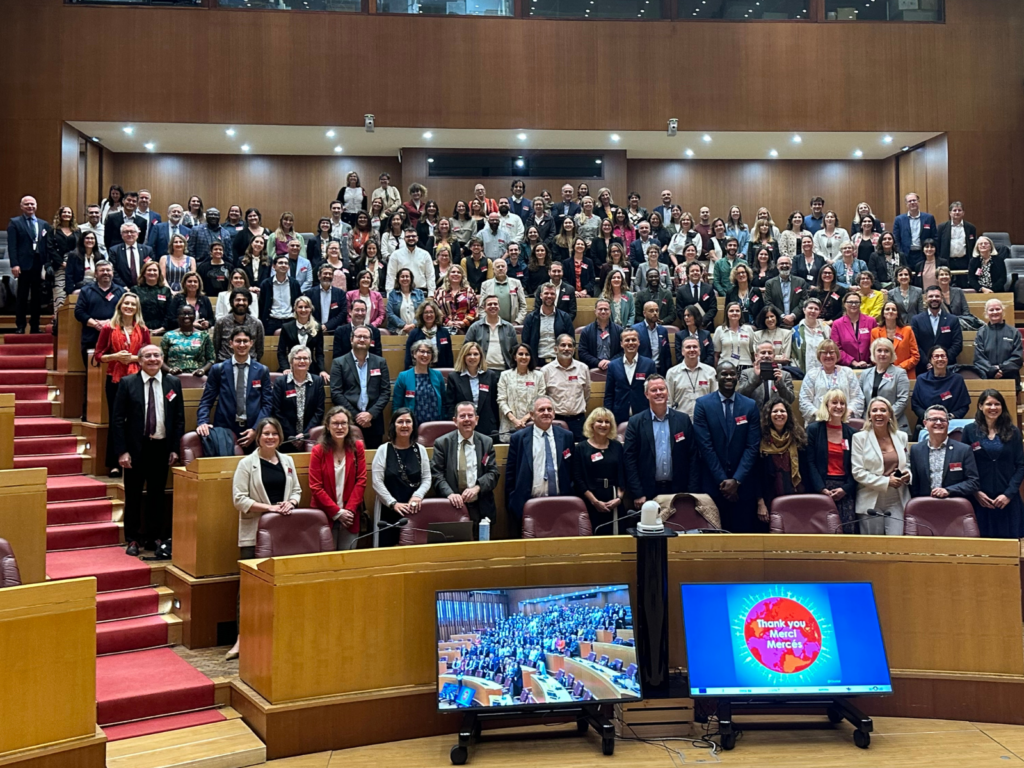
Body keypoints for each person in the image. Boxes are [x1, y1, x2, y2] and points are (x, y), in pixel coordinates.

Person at [228, 417, 301, 659]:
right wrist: (269, 508)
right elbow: (239, 500)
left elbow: (297, 490)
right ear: (258, 436)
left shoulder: (288, 460)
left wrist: (291, 502)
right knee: (249, 589)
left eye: (274, 433)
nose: (270, 437)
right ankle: (241, 638)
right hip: (254, 534)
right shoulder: (246, 464)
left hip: (283, 533)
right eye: (266, 433)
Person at [111, 344, 184, 555]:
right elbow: (117, 420)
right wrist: (122, 451)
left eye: (157, 355)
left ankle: (154, 537)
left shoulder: (173, 383)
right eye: (148, 356)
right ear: (140, 361)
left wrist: (174, 449)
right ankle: (133, 539)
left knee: (157, 495)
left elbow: (178, 420)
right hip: (135, 449)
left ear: (163, 359)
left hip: (161, 448)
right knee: (133, 494)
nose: (153, 359)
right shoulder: (127, 383)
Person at [693, 363, 763, 532]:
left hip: (743, 486)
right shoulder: (703, 405)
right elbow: (705, 446)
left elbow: (752, 447)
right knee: (713, 541)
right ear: (716, 377)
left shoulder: (750, 405)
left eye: (732, 374)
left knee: (742, 540)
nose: (729, 377)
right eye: (724, 374)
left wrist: (736, 480)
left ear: (738, 377)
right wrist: (723, 481)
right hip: (714, 486)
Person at [94, 292, 150, 476]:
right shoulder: (108, 328)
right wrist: (116, 357)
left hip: (137, 380)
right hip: (115, 379)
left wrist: (133, 358)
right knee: (116, 420)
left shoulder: (143, 329)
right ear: (120, 306)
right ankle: (114, 462)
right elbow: (98, 356)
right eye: (126, 303)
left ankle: (134, 457)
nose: (129, 307)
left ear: (137, 308)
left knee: (135, 420)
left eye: (133, 304)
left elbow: (148, 355)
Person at [504, 396, 575, 535]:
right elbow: (510, 475)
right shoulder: (519, 438)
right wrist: (513, 501)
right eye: (541, 410)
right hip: (528, 504)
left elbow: (573, 470)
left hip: (561, 503)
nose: (546, 412)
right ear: (531, 415)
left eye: (549, 409)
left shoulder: (567, 436)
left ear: (554, 413)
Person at [197, 328, 273, 450]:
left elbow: (267, 404)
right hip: (225, 429)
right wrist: (202, 421)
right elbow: (207, 400)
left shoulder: (262, 370)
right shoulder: (218, 369)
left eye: (245, 341)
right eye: (238, 341)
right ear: (231, 343)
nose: (242, 345)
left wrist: (256, 429)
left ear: (251, 343)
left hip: (254, 429)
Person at [964, 390, 1024, 539]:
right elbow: (965, 465)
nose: (993, 407)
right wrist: (976, 492)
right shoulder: (969, 431)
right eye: (988, 404)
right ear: (980, 406)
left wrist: (1008, 494)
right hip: (980, 500)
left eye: (997, 404)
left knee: (1009, 549)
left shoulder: (1013, 431)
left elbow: (1021, 465)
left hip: (1007, 500)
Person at [431, 402, 501, 528]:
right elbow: (437, 474)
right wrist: (450, 494)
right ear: (455, 420)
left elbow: (493, 473)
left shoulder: (486, 442)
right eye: (462, 416)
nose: (467, 420)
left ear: (477, 419)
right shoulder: (442, 443)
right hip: (452, 506)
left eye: (470, 416)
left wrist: (477, 488)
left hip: (480, 505)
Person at [308, 406, 367, 552]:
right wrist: (337, 512)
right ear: (327, 426)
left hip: (350, 515)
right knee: (326, 561)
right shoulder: (318, 450)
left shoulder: (357, 447)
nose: (339, 427)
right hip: (325, 514)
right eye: (335, 423)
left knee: (348, 560)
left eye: (343, 423)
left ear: (349, 426)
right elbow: (315, 486)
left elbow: (361, 480)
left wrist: (349, 511)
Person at [371, 409, 432, 546]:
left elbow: (427, 478)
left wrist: (418, 496)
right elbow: (377, 482)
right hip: (388, 509)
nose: (404, 425)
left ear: (413, 426)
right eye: (400, 422)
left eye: (408, 421)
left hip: (414, 508)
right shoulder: (383, 449)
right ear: (393, 425)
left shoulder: (420, 450)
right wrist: (393, 503)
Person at [852, 397, 912, 535]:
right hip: (871, 499)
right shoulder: (859, 438)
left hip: (897, 498)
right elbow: (858, 472)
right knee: (873, 549)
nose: (879, 413)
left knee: (896, 545)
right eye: (874, 410)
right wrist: (886, 481)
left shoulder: (901, 436)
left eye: (883, 410)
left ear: (890, 414)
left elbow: (907, 464)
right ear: (869, 416)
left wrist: (907, 475)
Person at [74, 261, 125, 414]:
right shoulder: (86, 290)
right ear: (96, 274)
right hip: (91, 338)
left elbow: (125, 312)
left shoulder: (120, 291)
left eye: (108, 270)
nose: (105, 273)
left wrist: (111, 323)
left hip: (116, 341)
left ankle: (115, 413)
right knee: (91, 377)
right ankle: (88, 412)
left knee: (115, 379)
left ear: (112, 273)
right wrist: (96, 324)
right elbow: (79, 312)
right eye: (102, 270)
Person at [329, 325, 390, 449]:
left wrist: (370, 414)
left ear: (371, 341)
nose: (362, 339)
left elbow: (385, 392)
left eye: (365, 337)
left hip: (374, 422)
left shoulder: (380, 362)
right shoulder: (339, 363)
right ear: (351, 339)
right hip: (348, 422)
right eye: (359, 336)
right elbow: (336, 393)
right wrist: (357, 416)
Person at [805, 389, 858, 529]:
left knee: (847, 532)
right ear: (826, 405)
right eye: (834, 402)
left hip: (844, 489)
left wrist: (846, 489)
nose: (839, 406)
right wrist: (821, 488)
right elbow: (809, 462)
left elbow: (857, 466)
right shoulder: (813, 430)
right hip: (821, 487)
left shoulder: (853, 434)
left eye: (842, 403)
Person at [909, 404, 980, 501]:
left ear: (948, 423)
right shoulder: (916, 450)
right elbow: (914, 485)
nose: (938, 423)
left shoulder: (963, 450)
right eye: (933, 419)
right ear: (925, 423)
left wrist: (948, 491)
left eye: (942, 420)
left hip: (954, 506)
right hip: (925, 507)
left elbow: (973, 482)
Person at [572, 408, 626, 534]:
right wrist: (594, 501)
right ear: (592, 424)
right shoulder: (581, 448)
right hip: (590, 499)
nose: (603, 425)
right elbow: (578, 478)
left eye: (607, 422)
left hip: (614, 499)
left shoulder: (617, 446)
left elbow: (623, 474)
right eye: (599, 421)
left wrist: (619, 498)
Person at [756, 398, 809, 525]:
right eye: (775, 411)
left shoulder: (798, 438)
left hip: (795, 494)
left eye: (782, 411)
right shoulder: (760, 439)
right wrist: (760, 503)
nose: (779, 414)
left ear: (788, 415)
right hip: (769, 496)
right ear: (769, 415)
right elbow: (755, 475)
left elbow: (806, 471)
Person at [271, 346, 326, 452]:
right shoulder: (281, 382)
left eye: (305, 358)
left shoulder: (317, 382)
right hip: (286, 437)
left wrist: (304, 435)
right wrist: (293, 436)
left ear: (310, 362)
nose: (302, 361)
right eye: (298, 358)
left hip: (310, 436)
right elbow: (277, 411)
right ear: (291, 361)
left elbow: (319, 411)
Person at [798, 340, 864, 422]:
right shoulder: (811, 375)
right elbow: (804, 401)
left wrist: (847, 413)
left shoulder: (848, 372)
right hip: (819, 421)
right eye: (824, 353)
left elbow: (858, 398)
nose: (828, 355)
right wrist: (820, 414)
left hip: (845, 421)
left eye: (831, 352)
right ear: (819, 355)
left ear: (837, 354)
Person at [541, 335, 591, 441]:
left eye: (570, 345)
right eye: (563, 345)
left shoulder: (583, 368)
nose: (567, 348)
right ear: (556, 349)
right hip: (556, 420)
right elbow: (542, 397)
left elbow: (586, 393)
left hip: (578, 420)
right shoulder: (546, 371)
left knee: (578, 454)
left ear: (574, 349)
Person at [447, 342, 500, 438]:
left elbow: (494, 403)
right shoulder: (454, 377)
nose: (472, 357)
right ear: (463, 356)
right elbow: (450, 405)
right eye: (469, 354)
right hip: (464, 425)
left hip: (487, 426)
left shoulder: (490, 376)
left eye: (476, 354)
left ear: (480, 356)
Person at [603, 328, 656, 425]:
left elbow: (653, 392)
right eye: (627, 340)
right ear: (621, 344)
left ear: (639, 342)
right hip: (619, 416)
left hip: (643, 416)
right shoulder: (613, 366)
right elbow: (609, 395)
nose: (631, 343)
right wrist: (608, 417)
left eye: (634, 340)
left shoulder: (649, 364)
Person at [911, 346, 969, 431]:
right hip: (926, 424)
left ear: (947, 359)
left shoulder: (957, 379)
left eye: (943, 356)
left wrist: (949, 417)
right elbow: (915, 404)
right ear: (930, 360)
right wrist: (929, 418)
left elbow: (964, 406)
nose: (940, 359)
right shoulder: (921, 379)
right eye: (936, 356)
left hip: (951, 424)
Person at [859, 337, 911, 434]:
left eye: (886, 351)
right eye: (879, 350)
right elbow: (860, 399)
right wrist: (869, 418)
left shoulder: (900, 373)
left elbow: (903, 400)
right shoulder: (865, 374)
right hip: (868, 425)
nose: (882, 354)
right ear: (873, 353)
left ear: (891, 354)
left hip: (894, 424)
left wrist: (884, 417)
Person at [496, 344, 546, 444]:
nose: (524, 357)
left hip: (531, 423)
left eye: (527, 354)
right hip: (509, 425)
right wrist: (514, 420)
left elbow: (540, 401)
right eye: (520, 354)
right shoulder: (505, 375)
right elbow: (501, 400)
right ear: (515, 357)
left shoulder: (539, 376)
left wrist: (524, 419)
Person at [910, 286, 964, 374]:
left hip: (948, 368)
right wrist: (928, 362)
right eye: (931, 296)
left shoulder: (952, 319)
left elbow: (957, 344)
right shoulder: (916, 320)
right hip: (924, 368)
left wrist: (942, 362)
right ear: (925, 298)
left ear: (942, 298)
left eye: (937, 296)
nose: (934, 299)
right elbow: (914, 345)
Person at [394, 340, 447, 426]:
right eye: (422, 351)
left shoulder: (437, 375)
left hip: (435, 424)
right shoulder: (403, 376)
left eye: (428, 352)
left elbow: (444, 403)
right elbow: (397, 406)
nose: (425, 355)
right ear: (414, 354)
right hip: (411, 426)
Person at [522, 283, 573, 366]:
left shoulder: (565, 317)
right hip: (536, 363)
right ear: (541, 296)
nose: (549, 296)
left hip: (559, 362)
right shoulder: (530, 318)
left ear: (556, 296)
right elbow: (525, 343)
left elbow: (571, 341)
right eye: (546, 293)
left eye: (552, 293)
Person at [465, 295, 518, 372]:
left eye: (495, 304)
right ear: (484, 308)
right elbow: (466, 349)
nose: (493, 306)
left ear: (499, 307)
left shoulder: (509, 327)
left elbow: (515, 350)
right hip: (482, 370)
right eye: (489, 304)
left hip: (505, 370)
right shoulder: (475, 327)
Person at [975, 299, 1023, 382]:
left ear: (1003, 311)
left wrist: (1001, 369)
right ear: (986, 313)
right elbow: (979, 358)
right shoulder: (981, 333)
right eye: (991, 310)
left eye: (997, 309)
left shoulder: (1014, 332)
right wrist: (992, 370)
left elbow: (1017, 357)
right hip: (988, 377)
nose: (995, 312)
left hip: (1010, 378)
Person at [738, 341, 795, 410]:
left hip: (775, 416)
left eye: (770, 353)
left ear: (774, 356)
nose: (767, 355)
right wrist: (756, 377)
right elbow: (740, 396)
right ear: (756, 356)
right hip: (754, 415)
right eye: (763, 353)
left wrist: (780, 383)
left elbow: (790, 400)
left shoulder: (785, 375)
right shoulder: (746, 373)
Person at [161, 305, 214, 378]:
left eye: (190, 314)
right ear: (178, 317)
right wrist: (170, 370)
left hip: (198, 376)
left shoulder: (204, 335)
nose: (186, 316)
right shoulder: (168, 335)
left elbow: (211, 359)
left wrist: (202, 370)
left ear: (194, 316)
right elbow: (160, 359)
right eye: (183, 314)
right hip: (173, 376)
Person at [871, 299, 920, 378]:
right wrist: (887, 369)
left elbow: (915, 356)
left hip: (905, 373)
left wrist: (899, 368)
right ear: (883, 313)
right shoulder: (875, 332)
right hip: (883, 374)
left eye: (893, 309)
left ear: (897, 314)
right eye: (887, 309)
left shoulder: (907, 330)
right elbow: (873, 356)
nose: (890, 311)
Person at [212, 289, 264, 362]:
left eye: (244, 300)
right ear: (232, 302)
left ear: (249, 302)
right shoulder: (221, 322)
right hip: (225, 363)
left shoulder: (257, 323)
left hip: (250, 364)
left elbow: (259, 350)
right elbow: (216, 347)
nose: (241, 302)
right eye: (238, 300)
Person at [892, 192, 938, 270]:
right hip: (906, 255)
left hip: (924, 254)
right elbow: (896, 239)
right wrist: (901, 253)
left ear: (918, 202)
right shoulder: (899, 219)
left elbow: (934, 237)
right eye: (910, 201)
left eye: (914, 200)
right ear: (906, 204)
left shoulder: (929, 218)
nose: (912, 203)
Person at [259, 255, 302, 336]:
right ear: (274, 266)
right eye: (280, 263)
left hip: (290, 320)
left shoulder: (294, 283)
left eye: (286, 263)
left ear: (288, 267)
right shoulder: (266, 284)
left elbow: (298, 302)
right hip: (271, 321)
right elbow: (261, 305)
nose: (283, 265)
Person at [831, 291, 876, 368]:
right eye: (850, 302)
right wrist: (853, 362)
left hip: (869, 366)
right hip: (846, 367)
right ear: (844, 304)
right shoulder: (837, 324)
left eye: (857, 302)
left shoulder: (871, 321)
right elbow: (836, 348)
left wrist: (871, 361)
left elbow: (876, 344)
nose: (854, 305)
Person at [479, 257, 528, 325]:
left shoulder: (516, 283)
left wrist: (517, 321)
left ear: (506, 268)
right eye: (498, 266)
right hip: (491, 325)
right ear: (493, 270)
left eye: (503, 266)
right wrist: (487, 322)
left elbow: (523, 306)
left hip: (512, 324)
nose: (500, 268)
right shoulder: (485, 285)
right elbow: (481, 307)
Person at [937, 201, 977, 283]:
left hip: (964, 261)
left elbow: (973, 245)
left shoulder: (970, 227)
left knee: (963, 284)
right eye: (954, 210)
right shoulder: (942, 227)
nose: (957, 212)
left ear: (963, 213)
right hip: (947, 261)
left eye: (959, 210)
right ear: (950, 213)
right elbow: (938, 245)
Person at [577, 299, 621, 372]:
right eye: (600, 309)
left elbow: (623, 351)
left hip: (615, 369)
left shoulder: (619, 330)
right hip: (592, 368)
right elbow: (582, 352)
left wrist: (611, 362)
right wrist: (597, 362)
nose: (603, 311)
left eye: (606, 309)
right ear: (595, 311)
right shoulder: (586, 331)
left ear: (610, 311)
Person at [387, 227, 435, 294]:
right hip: (400, 292)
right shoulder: (395, 255)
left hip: (421, 292)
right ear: (404, 239)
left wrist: (431, 293)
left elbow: (430, 275)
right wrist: (389, 293)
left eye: (413, 236)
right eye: (408, 236)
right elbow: (391, 275)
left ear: (417, 238)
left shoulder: (425, 254)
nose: (411, 238)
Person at [763, 255, 806, 329]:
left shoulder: (800, 282)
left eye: (787, 263)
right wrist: (783, 316)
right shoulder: (769, 283)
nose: (784, 265)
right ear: (777, 266)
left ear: (791, 266)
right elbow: (768, 302)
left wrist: (793, 315)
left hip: (797, 322)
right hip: (777, 322)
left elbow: (804, 301)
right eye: (781, 264)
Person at [108, 222, 155, 291]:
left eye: (132, 231)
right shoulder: (114, 250)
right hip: (122, 289)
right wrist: (123, 286)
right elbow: (113, 270)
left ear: (137, 234)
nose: (129, 234)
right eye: (126, 232)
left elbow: (152, 268)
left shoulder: (148, 250)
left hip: (144, 288)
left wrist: (144, 284)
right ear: (121, 235)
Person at [791, 297, 830, 375]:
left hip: (824, 372)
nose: (813, 311)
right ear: (804, 310)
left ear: (819, 312)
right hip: (803, 373)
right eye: (810, 308)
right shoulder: (795, 331)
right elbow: (792, 355)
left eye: (816, 309)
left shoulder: (826, 329)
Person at [435, 264, 478, 333]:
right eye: (453, 272)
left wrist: (464, 322)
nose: (456, 274)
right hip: (444, 328)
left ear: (462, 276)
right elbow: (436, 310)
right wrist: (447, 322)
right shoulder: (440, 292)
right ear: (448, 275)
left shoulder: (469, 291)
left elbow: (474, 308)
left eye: (459, 272)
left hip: (466, 328)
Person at [132, 261, 172, 334]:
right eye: (149, 270)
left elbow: (169, 313)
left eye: (155, 270)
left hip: (162, 330)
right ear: (144, 273)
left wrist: (161, 329)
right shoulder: (135, 290)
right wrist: (142, 327)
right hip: (139, 329)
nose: (152, 272)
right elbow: (133, 312)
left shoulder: (165, 290)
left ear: (159, 273)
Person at [307, 263, 348, 334]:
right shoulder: (310, 293)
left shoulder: (340, 293)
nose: (328, 276)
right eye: (325, 273)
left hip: (334, 331)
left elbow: (343, 313)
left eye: (330, 274)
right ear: (319, 276)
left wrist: (327, 326)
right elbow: (307, 312)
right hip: (313, 330)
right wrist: (319, 326)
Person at [633, 301, 671, 376]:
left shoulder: (663, 330)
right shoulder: (635, 330)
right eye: (651, 311)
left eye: (657, 310)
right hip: (642, 369)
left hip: (660, 370)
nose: (655, 313)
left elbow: (667, 354)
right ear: (644, 313)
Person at [676, 261, 717, 331]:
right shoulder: (681, 290)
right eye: (692, 271)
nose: (695, 272)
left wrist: (702, 322)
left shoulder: (709, 288)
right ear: (688, 274)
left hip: (706, 326)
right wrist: (691, 322)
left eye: (697, 271)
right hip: (688, 327)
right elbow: (679, 310)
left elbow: (713, 308)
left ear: (701, 273)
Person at [713, 301, 755, 370]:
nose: (735, 313)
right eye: (731, 311)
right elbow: (716, 355)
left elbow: (753, 353)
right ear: (727, 313)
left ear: (741, 313)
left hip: (746, 366)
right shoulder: (720, 330)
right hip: (725, 366)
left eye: (737, 311)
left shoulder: (748, 329)